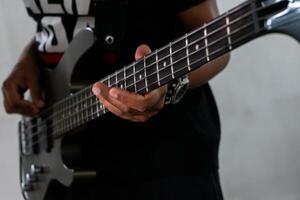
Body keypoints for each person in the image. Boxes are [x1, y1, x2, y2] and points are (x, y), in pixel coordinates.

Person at [2, 0, 230, 199]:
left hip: (161, 164)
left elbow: (217, 40)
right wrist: (29, 56)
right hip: (64, 171)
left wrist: (169, 85)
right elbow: (66, 17)